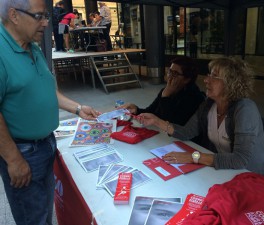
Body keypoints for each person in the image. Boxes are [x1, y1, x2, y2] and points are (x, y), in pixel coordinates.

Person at [0, 0, 100, 224]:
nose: (46, 22)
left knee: (44, 211)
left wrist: (77, 108)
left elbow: (47, 90)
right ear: (14, 15)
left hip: (45, 144)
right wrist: (14, 160)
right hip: (22, 151)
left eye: (46, 16)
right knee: (33, 218)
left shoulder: (31, 45)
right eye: (39, 16)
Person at [139, 57, 264, 179]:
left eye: (214, 76)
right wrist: (156, 121)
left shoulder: (245, 109)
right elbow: (187, 132)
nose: (206, 80)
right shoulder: (209, 104)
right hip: (224, 173)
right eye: (209, 74)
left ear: (230, 83)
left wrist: (194, 157)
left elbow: (240, 159)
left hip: (253, 179)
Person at [120, 56, 206, 137]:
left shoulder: (194, 98)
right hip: (160, 135)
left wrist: (166, 97)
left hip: (179, 141)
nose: (170, 76)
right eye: (170, 71)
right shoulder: (167, 90)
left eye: (175, 74)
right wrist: (136, 110)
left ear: (187, 79)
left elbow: (172, 124)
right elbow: (151, 111)